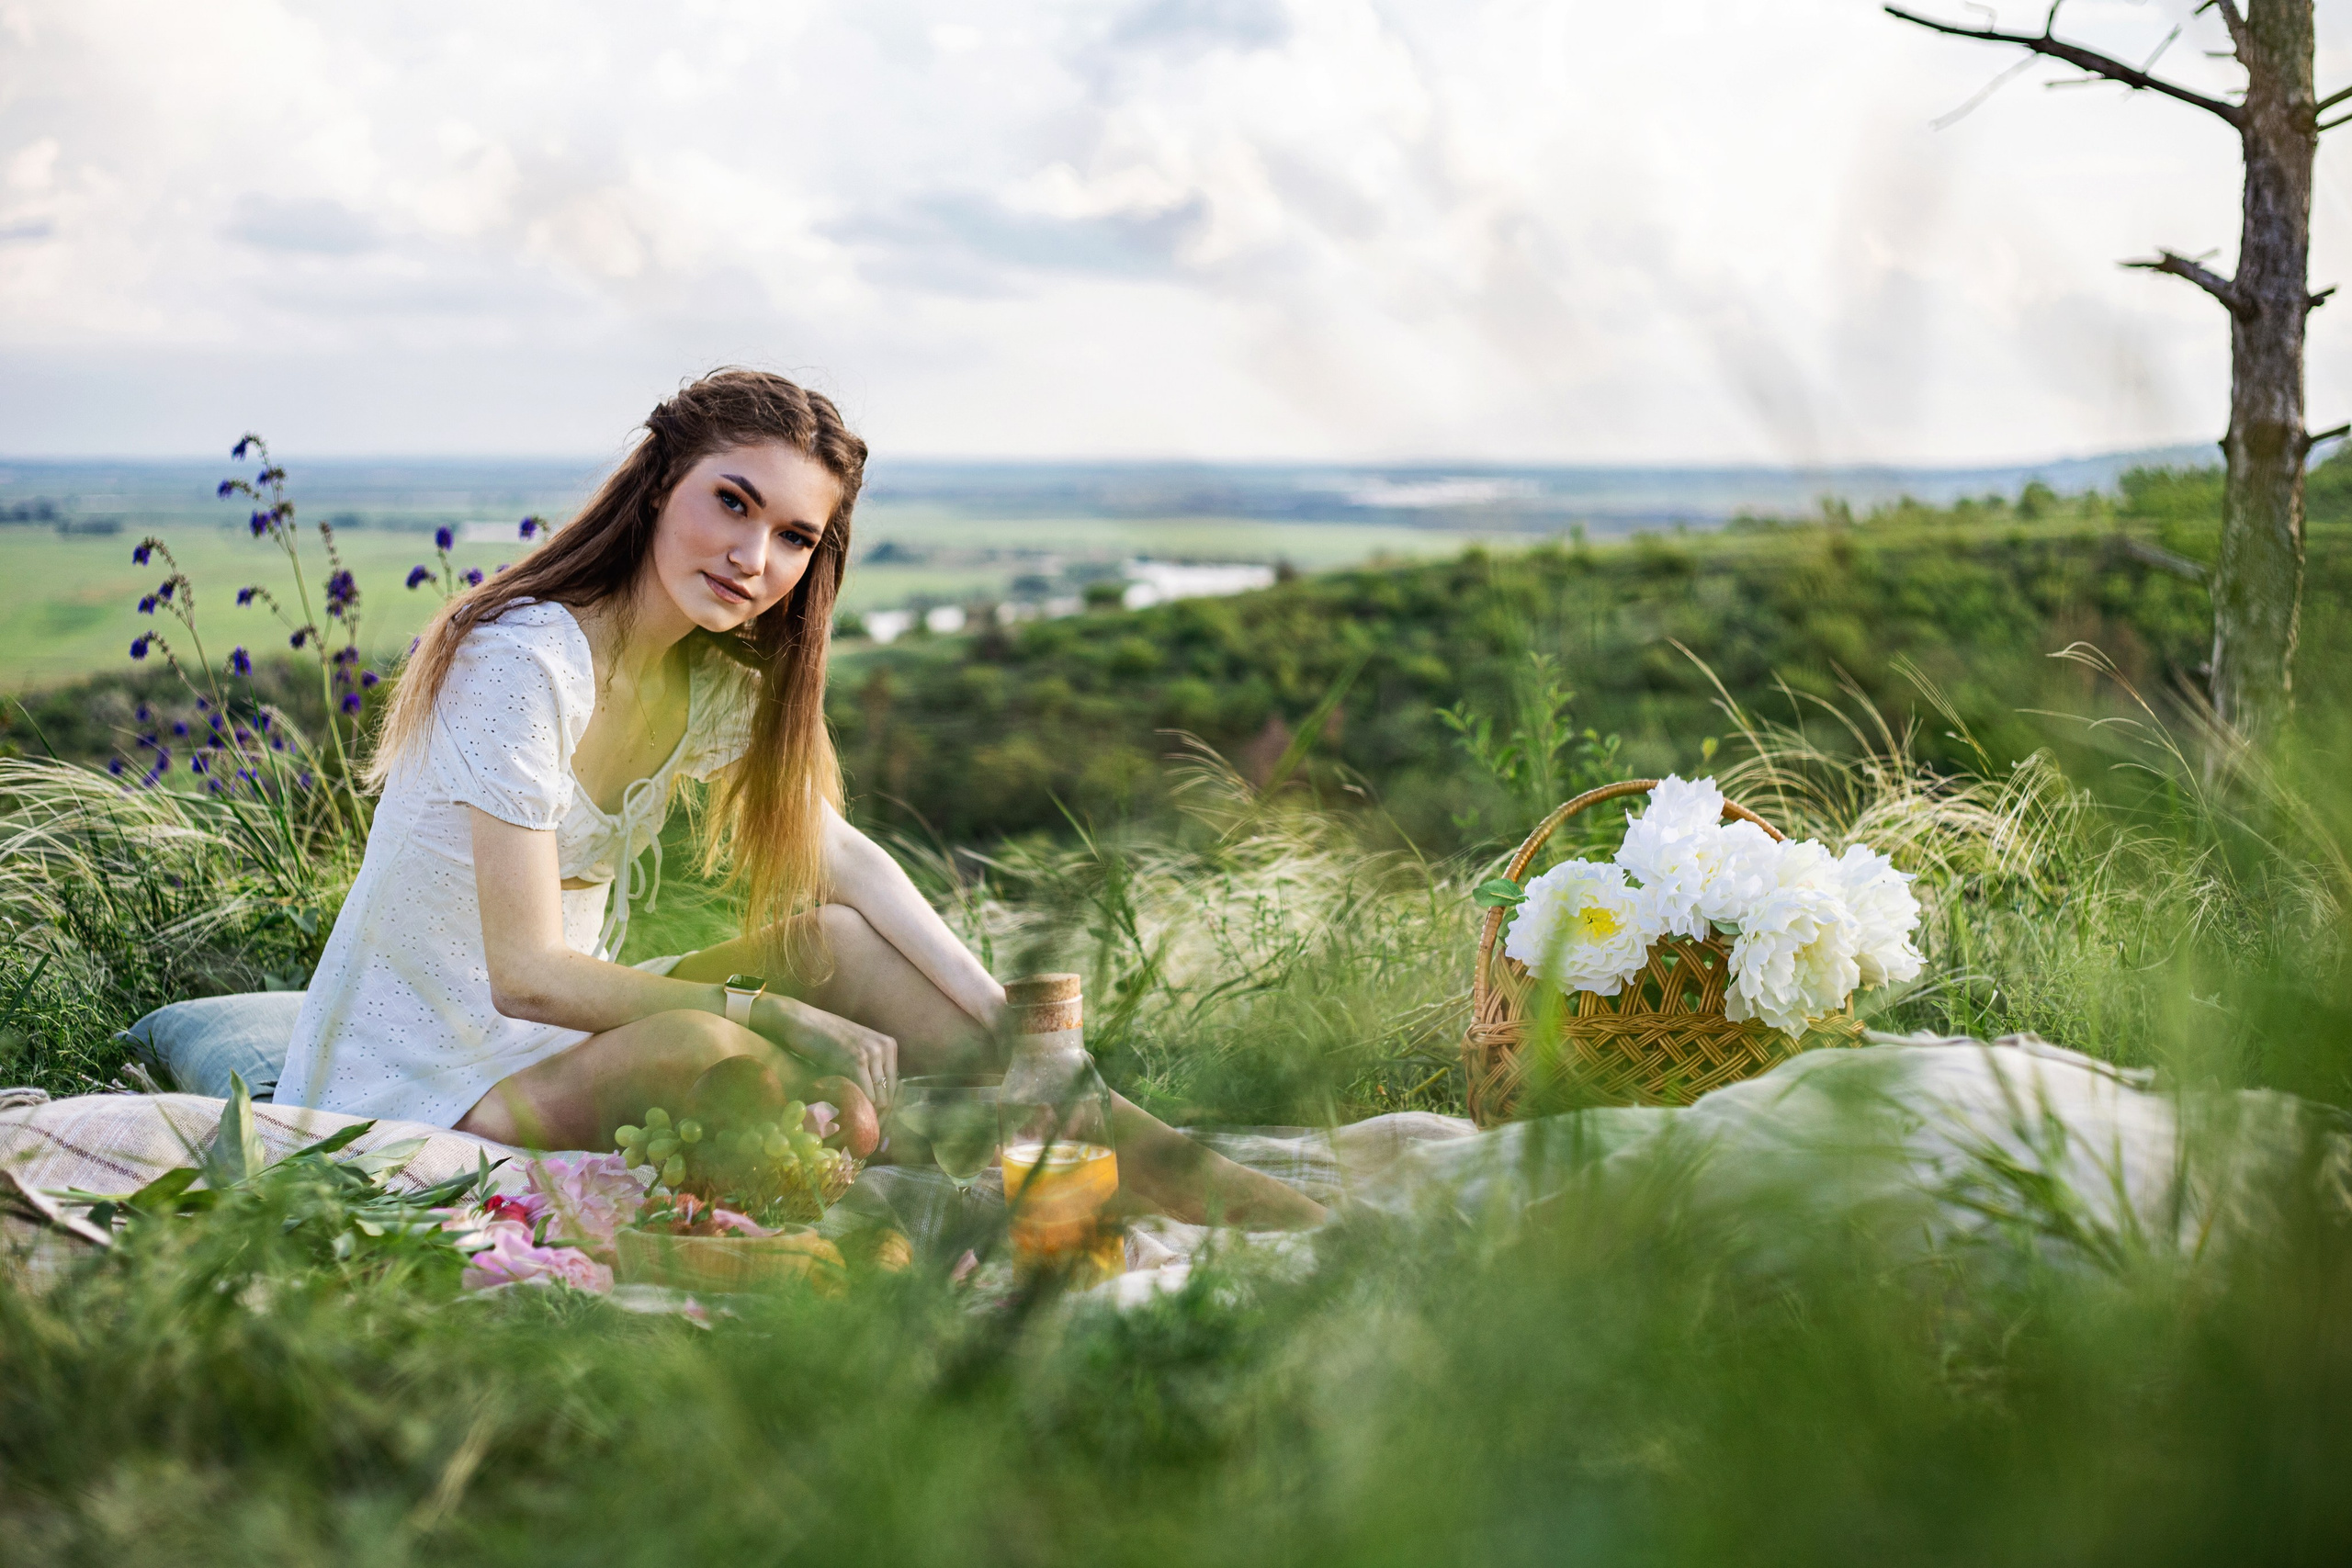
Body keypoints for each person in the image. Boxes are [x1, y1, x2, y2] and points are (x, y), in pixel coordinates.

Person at [275, 368, 1323, 1229]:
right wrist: (774, 1018)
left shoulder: (706, 685)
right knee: (717, 1052)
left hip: (546, 1058)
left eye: (793, 536)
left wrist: (1006, 1019)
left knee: (833, 942)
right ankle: (959, 1139)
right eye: (731, 502)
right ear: (658, 489)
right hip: (417, 1085)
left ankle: (1157, 1163)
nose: (752, 558)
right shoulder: (526, 662)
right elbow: (530, 978)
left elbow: (844, 860)